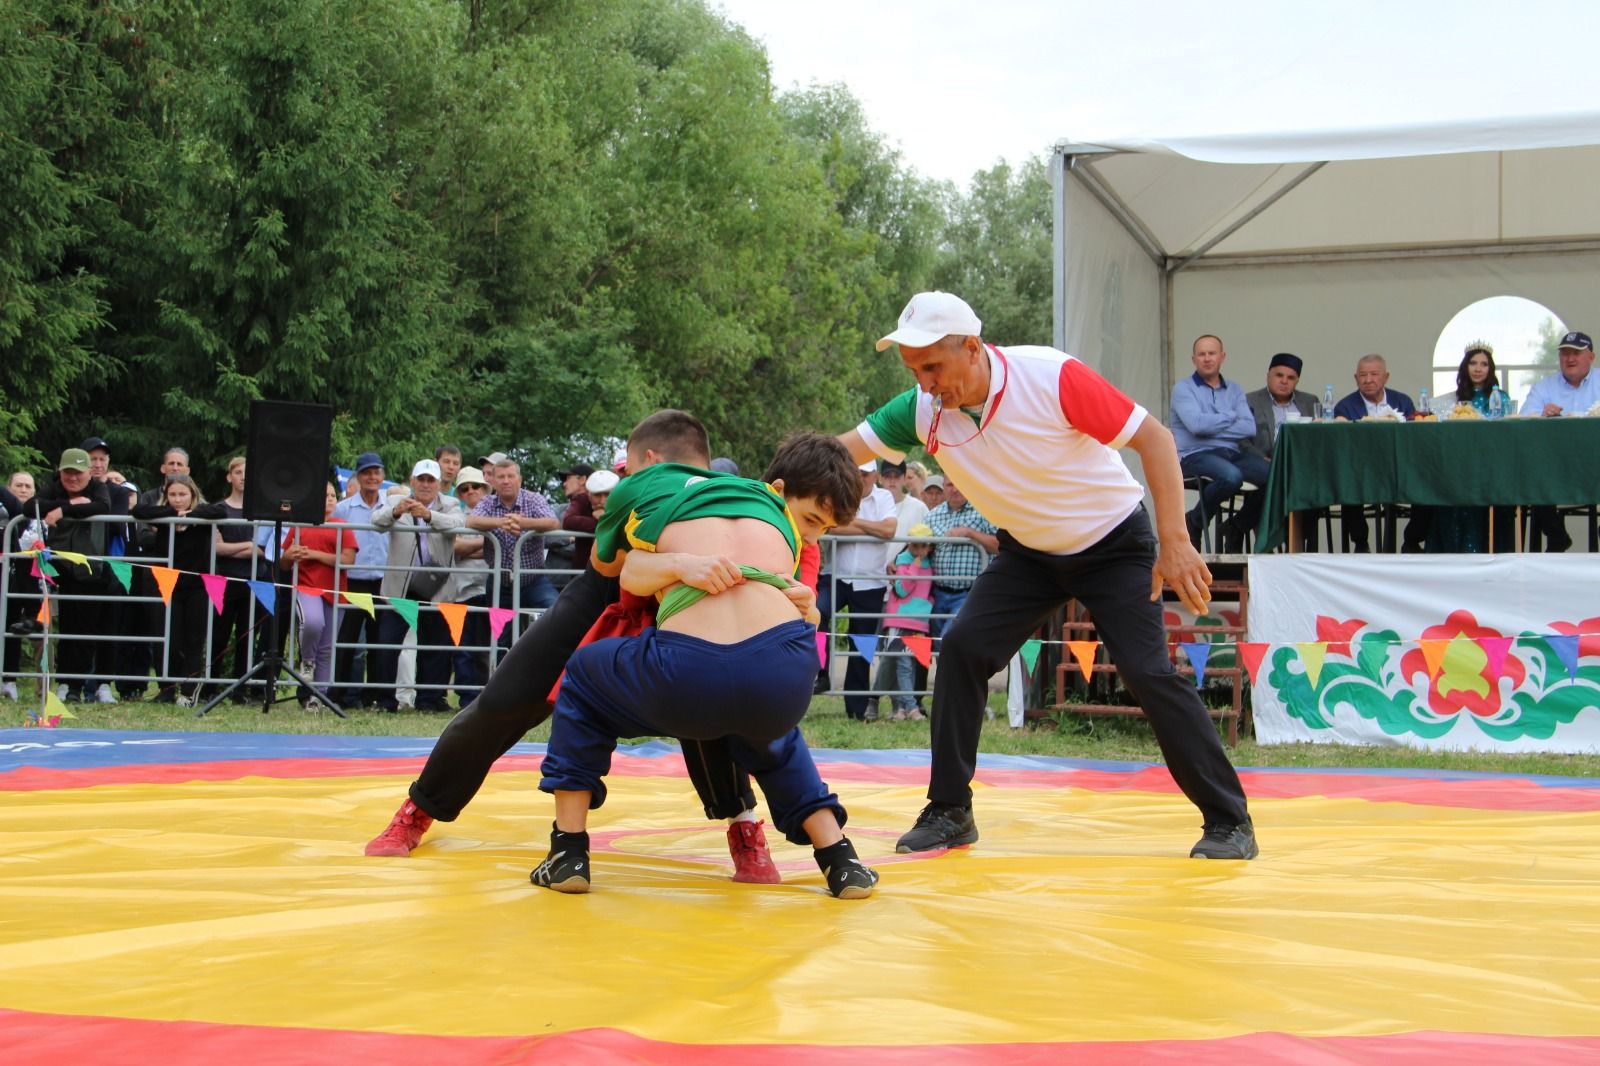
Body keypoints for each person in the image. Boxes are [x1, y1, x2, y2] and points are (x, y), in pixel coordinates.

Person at [844, 290, 1256, 859]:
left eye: (934, 366)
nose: (926, 382)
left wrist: (1176, 542)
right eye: (914, 370)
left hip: (1112, 545)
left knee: (1146, 671)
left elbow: (1155, 439)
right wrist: (771, 494)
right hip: (1031, 554)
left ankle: (1229, 820)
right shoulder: (921, 408)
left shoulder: (1050, 376)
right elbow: (839, 452)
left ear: (972, 347)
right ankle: (949, 810)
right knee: (963, 647)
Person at [364, 412, 784, 885]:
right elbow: (609, 569)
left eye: (628, 468)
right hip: (606, 596)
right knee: (506, 699)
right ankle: (420, 808)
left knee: (711, 707)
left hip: (683, 602)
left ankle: (746, 830)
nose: (625, 478)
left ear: (647, 458)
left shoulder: (726, 496)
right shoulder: (674, 493)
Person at [531, 432, 878, 898]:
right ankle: (840, 858)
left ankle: (567, 849)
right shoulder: (759, 515)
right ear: (776, 491)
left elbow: (615, 567)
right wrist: (684, 565)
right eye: (812, 520)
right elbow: (797, 613)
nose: (813, 535)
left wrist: (674, 564)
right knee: (769, 724)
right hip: (779, 676)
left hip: (688, 674)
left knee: (583, 675)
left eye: (824, 527)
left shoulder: (655, 493)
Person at [371, 460, 464, 711]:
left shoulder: (451, 503)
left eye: (430, 480)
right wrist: (396, 511)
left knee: (436, 645)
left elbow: (459, 524)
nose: (425, 484)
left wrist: (429, 515)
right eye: (420, 479)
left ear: (438, 484)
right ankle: (385, 701)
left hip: (437, 587)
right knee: (387, 644)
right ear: (412, 481)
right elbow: (375, 521)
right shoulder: (394, 502)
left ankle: (429, 701)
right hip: (400, 586)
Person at [132, 475, 228, 704]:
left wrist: (192, 515)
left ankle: (188, 691)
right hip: (168, 584)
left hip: (198, 585)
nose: (177, 499)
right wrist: (172, 515)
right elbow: (138, 511)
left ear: (192, 496)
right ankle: (167, 688)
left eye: (182, 494)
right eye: (172, 495)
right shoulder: (165, 515)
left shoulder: (202, 514)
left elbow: (220, 512)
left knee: (194, 639)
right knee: (169, 639)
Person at [1168, 335, 1266, 553]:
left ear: (1222, 357)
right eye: (1201, 354)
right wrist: (1230, 416)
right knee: (1231, 477)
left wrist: (1210, 425)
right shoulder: (1183, 389)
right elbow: (1196, 426)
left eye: (1211, 353)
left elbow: (1249, 428)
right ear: (1193, 359)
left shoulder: (1235, 390)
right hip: (1194, 454)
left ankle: (1236, 526)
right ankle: (1195, 521)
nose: (1207, 359)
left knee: (1275, 476)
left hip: (1231, 453)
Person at [816, 461, 895, 720]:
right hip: (835, 576)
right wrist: (869, 527)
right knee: (817, 614)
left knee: (862, 644)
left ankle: (856, 708)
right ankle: (821, 674)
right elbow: (831, 527)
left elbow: (889, 530)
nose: (859, 479)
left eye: (864, 474)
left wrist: (854, 522)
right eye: (856, 473)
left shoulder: (884, 497)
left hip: (870, 581)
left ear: (874, 475)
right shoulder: (839, 491)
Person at [34, 449, 113, 703]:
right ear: (60, 472)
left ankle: (76, 686)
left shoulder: (99, 488)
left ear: (89, 473)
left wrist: (64, 509)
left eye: (78, 473)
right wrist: (69, 505)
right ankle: (65, 682)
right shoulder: (54, 489)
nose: (73, 478)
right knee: (65, 627)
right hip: (59, 567)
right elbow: (31, 505)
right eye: (68, 472)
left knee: (85, 628)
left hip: (90, 571)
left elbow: (103, 506)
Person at [1332, 354, 1424, 552]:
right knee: (1347, 484)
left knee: (1426, 481)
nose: (1368, 380)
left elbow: (1414, 439)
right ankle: (1360, 543)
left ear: (1386, 377)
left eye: (1374, 374)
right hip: (1361, 469)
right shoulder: (1345, 406)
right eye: (1362, 375)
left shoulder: (1403, 401)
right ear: (1356, 378)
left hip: (1400, 467)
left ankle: (1412, 540)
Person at [1430, 342, 1515, 553]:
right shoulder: (1454, 399)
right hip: (1460, 466)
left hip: (1489, 467)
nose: (1478, 369)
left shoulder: (1499, 397)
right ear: (1465, 367)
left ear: (1490, 368)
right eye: (1473, 363)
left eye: (1484, 364)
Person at [1523, 331, 1600, 551]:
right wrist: (1541, 415)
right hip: (1554, 466)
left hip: (1595, 464)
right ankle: (1556, 535)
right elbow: (1524, 419)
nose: (1570, 359)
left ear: (1591, 357)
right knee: (1533, 478)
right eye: (1565, 353)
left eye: (1576, 353)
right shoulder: (1544, 387)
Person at [279, 483, 356, 704]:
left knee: (327, 646)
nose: (330, 499)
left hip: (335, 590)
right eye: (325, 495)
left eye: (333, 495)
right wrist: (289, 555)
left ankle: (318, 696)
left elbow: (348, 560)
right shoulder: (299, 526)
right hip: (307, 586)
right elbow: (284, 565)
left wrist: (313, 554)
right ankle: (307, 661)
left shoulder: (342, 526)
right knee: (313, 622)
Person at [330, 452, 393, 709]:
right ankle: (340, 695)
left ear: (383, 476)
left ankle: (373, 696)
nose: (372, 477)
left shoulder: (391, 507)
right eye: (367, 472)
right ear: (357, 476)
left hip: (382, 581)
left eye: (376, 472)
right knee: (347, 639)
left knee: (380, 641)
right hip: (353, 580)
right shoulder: (343, 508)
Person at [464, 457, 559, 623]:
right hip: (500, 583)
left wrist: (523, 523)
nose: (506, 481)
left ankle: (547, 649)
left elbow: (553, 523)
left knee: (555, 613)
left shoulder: (533, 499)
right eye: (501, 477)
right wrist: (503, 522)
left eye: (510, 476)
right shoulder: (487, 502)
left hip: (533, 580)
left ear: (520, 480)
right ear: (493, 481)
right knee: (501, 637)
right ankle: (505, 650)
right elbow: (471, 521)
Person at [1241, 353, 1321, 551]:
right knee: (1270, 480)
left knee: (1318, 488)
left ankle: (1300, 546)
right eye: (1279, 375)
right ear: (1268, 375)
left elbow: (1320, 437)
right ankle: (1265, 542)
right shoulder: (1250, 400)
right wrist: (1263, 459)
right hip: (1264, 463)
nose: (1284, 381)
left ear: (1297, 381)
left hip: (1301, 469)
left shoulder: (1310, 402)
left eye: (1290, 378)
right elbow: (1241, 440)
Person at [209, 457, 271, 700]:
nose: (243, 477)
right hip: (223, 581)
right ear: (229, 476)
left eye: (248, 472)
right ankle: (211, 686)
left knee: (247, 637)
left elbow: (263, 549)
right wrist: (248, 545)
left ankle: (239, 689)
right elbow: (216, 548)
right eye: (238, 472)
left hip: (255, 580)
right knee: (219, 635)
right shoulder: (219, 509)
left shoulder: (262, 511)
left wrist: (232, 546)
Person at [873, 524, 935, 721]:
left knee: (908, 664)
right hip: (900, 618)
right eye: (915, 546)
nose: (919, 551)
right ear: (908, 545)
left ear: (930, 547)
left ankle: (901, 706)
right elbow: (902, 589)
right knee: (898, 663)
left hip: (919, 621)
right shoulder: (903, 560)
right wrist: (914, 566)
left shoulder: (930, 563)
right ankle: (908, 706)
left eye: (923, 547)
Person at [923, 476, 998, 637]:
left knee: (948, 637)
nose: (955, 489)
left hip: (969, 593)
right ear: (944, 487)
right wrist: (897, 562)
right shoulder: (932, 515)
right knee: (936, 642)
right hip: (937, 593)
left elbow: (999, 546)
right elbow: (917, 548)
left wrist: (970, 533)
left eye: (959, 483)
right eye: (950, 484)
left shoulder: (984, 511)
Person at [444, 466, 493, 707]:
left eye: (476, 486)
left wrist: (472, 546)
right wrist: (487, 543)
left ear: (485, 488)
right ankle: (467, 698)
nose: (471, 491)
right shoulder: (457, 515)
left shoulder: (494, 512)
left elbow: (499, 547)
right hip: (460, 591)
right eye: (465, 488)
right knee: (462, 648)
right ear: (460, 493)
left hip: (490, 589)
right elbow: (454, 547)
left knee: (486, 647)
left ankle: (484, 697)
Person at [2, 472, 40, 701]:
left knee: (42, 636)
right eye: (18, 485)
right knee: (10, 628)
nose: (23, 489)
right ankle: (9, 681)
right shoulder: (6, 514)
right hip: (11, 581)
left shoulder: (41, 513)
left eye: (28, 486)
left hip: (40, 583)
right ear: (9, 488)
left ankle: (44, 688)